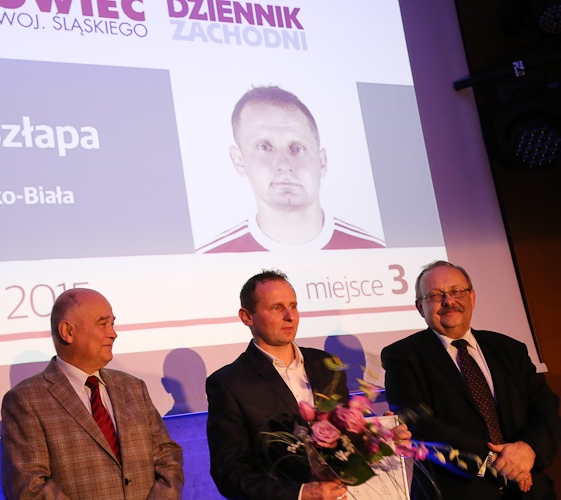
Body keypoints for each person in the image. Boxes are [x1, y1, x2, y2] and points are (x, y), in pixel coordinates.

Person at [381, 260, 561, 499]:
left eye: (457, 291)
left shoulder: (509, 349)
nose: (448, 301)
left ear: (472, 298)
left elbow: (545, 407)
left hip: (530, 490)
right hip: (458, 492)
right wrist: (500, 463)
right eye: (435, 295)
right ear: (420, 307)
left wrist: (528, 449)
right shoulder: (401, 356)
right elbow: (420, 423)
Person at [1, 288, 184, 499]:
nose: (113, 333)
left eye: (112, 324)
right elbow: (28, 486)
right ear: (67, 332)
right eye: (103, 324)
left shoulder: (133, 388)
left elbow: (168, 457)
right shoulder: (26, 400)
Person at [206, 269, 353, 499]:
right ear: (247, 317)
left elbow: (348, 437)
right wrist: (301, 494)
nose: (290, 316)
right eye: (276, 308)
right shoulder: (229, 383)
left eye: (293, 306)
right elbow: (229, 473)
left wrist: (382, 438)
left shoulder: (327, 364)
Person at [197, 85, 384, 253]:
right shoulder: (208, 261)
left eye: (297, 148)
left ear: (322, 162)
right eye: (264, 147)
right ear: (239, 161)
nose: (284, 165)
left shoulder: (376, 253)